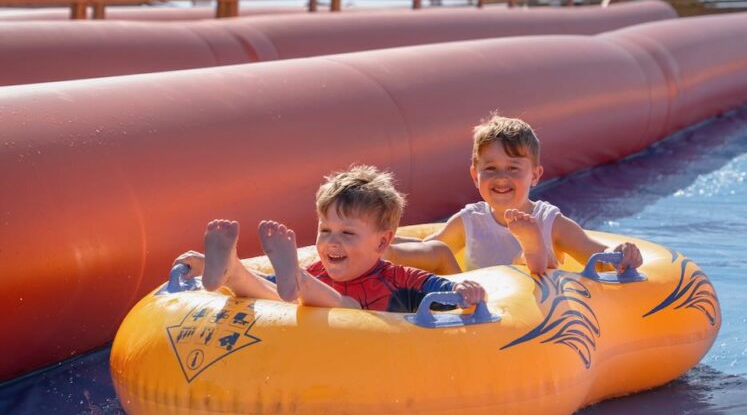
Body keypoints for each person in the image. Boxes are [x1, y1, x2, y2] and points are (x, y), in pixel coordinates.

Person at [174, 165, 485, 311]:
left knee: (345, 306)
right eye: (325, 231)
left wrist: (462, 287)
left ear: (381, 242)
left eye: (348, 234)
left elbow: (440, 287)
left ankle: (294, 281)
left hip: (372, 340)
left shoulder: (399, 278)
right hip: (313, 322)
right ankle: (232, 270)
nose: (332, 242)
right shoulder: (319, 271)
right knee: (272, 289)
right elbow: (271, 284)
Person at [410, 115, 643, 275]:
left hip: (533, 318)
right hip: (482, 316)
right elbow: (427, 253)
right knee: (437, 253)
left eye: (513, 168)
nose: (501, 177)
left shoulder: (550, 222)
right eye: (490, 169)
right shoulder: (468, 221)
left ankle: (533, 253)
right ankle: (532, 255)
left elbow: (596, 257)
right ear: (475, 175)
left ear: (534, 175)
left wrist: (619, 253)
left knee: (525, 266)